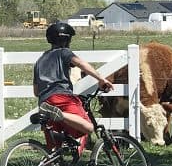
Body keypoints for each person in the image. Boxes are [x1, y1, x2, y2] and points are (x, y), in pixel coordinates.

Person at [33, 22, 114, 153]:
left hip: (44, 101)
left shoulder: (40, 60)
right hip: (62, 97)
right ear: (66, 39)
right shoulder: (64, 52)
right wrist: (101, 79)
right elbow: (81, 64)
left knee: (53, 148)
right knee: (88, 127)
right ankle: (60, 114)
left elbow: (36, 91)